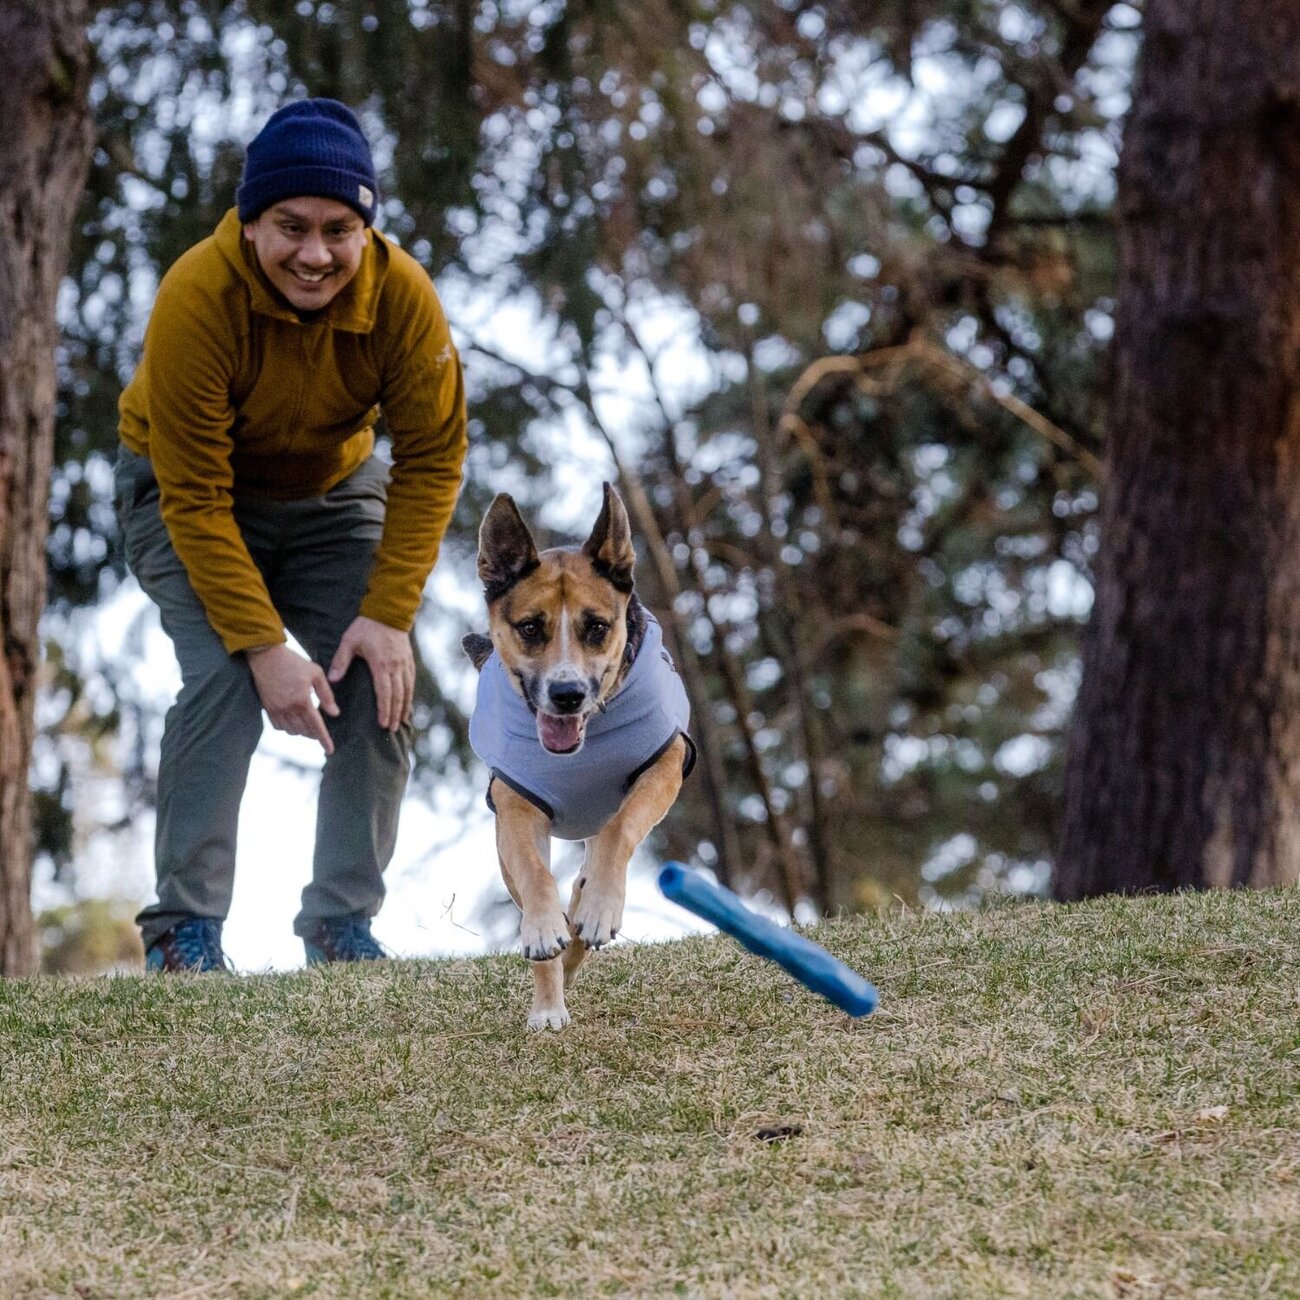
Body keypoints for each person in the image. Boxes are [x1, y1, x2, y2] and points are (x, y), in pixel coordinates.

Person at [115, 98, 467, 970]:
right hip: (184, 495)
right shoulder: (198, 296)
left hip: (331, 495)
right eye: (290, 227)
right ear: (251, 221)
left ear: (365, 229)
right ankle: (184, 933)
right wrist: (264, 644)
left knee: (376, 679)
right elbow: (195, 498)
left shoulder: (403, 299)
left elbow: (432, 458)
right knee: (229, 679)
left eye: (338, 230)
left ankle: (341, 927)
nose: (314, 254)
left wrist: (387, 613)